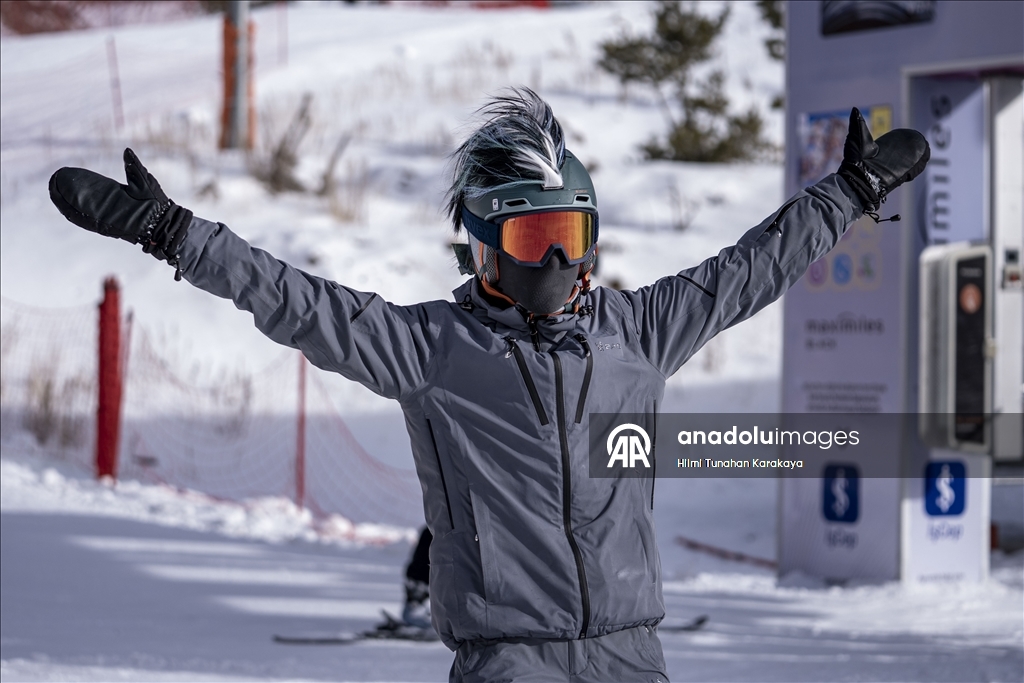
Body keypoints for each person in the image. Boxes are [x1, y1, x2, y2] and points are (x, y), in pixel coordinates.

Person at [48, 89, 928, 682]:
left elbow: (752, 268)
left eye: (571, 234)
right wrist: (172, 232)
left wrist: (850, 191)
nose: (556, 258)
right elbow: (295, 301)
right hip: (510, 662)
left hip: (633, 655)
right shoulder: (434, 348)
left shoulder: (638, 332)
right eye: (532, 234)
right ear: (481, 242)